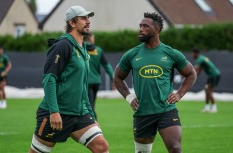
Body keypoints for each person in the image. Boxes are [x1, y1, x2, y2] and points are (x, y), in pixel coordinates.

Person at [28, 6, 109, 153]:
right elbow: (49, 79)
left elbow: (83, 86)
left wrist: (91, 115)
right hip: (56, 113)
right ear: (72, 23)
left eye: (88, 18)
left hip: (79, 114)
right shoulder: (62, 45)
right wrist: (54, 112)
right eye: (83, 18)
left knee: (101, 147)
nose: (88, 21)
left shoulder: (83, 48)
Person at [114, 12, 197, 153]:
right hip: (143, 113)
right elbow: (117, 77)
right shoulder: (132, 54)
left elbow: (191, 74)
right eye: (140, 26)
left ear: (156, 30)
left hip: (166, 111)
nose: (140, 29)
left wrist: (179, 94)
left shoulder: (171, 53)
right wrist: (129, 97)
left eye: (145, 26)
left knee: (175, 149)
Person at [84, 33, 114, 120]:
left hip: (85, 82)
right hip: (96, 82)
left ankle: (93, 125)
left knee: (89, 106)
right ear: (90, 39)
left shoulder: (80, 48)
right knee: (91, 104)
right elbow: (107, 66)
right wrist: (113, 79)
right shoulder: (98, 50)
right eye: (93, 38)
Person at [192, 48, 220, 113]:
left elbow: (196, 71)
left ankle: (214, 107)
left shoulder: (199, 60)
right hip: (212, 75)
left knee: (208, 90)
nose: (192, 55)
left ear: (196, 53)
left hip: (214, 75)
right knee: (206, 89)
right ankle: (207, 107)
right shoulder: (202, 58)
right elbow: (199, 71)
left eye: (193, 53)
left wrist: (188, 77)